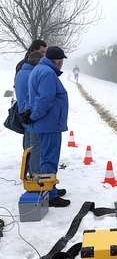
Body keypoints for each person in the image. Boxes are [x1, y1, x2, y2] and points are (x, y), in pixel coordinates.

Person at [19, 46, 70, 207]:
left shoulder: (38, 69)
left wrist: (29, 113)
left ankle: (50, 187)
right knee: (49, 158)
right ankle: (50, 194)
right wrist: (33, 116)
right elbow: (45, 100)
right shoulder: (47, 73)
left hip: (45, 123)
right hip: (49, 124)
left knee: (45, 156)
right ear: (59, 62)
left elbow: (29, 95)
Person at [15, 51, 43, 174]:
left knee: (28, 145)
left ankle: (27, 170)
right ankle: (35, 174)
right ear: (37, 63)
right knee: (36, 146)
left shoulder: (20, 73)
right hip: (31, 115)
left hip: (23, 114)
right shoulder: (32, 75)